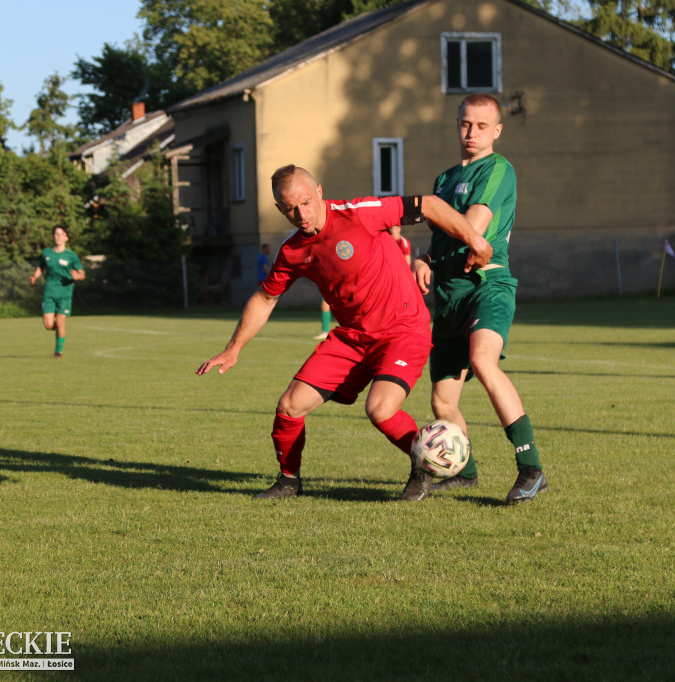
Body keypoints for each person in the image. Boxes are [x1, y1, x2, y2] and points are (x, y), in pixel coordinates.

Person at [197, 164, 491, 501]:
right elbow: (266, 297)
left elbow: (428, 204)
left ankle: (422, 464)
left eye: (306, 202)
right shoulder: (293, 252)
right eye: (290, 208)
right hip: (352, 337)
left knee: (380, 409)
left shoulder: (360, 213)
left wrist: (474, 239)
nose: (301, 214)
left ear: (319, 191)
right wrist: (234, 348)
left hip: (403, 329)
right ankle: (288, 481)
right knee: (290, 406)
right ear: (280, 209)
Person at [413, 93, 547, 504]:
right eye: (465, 124)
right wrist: (426, 257)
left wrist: (428, 209)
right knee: (442, 399)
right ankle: (465, 472)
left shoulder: (499, 169)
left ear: (497, 131)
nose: (472, 133)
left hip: (488, 285)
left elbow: (473, 226)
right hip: (449, 294)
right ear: (457, 124)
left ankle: (531, 468)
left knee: (482, 360)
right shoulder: (444, 178)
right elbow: (442, 235)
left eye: (482, 126)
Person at [29, 226, 86, 358]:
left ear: (66, 237)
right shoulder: (46, 253)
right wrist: (35, 276)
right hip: (49, 292)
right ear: (53, 236)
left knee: (60, 322)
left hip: (65, 293)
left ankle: (58, 352)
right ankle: (60, 329)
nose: (58, 236)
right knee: (48, 325)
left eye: (61, 234)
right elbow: (40, 267)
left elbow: (82, 273)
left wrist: (78, 276)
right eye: (56, 234)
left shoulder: (71, 256)